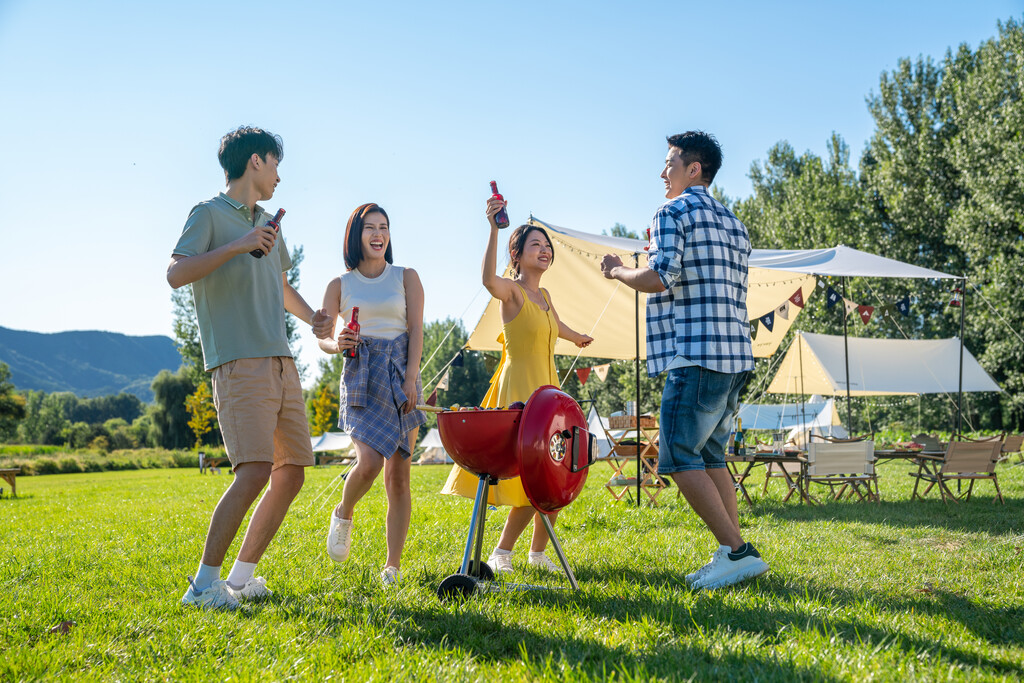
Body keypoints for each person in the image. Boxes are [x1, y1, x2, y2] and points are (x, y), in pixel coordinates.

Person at [168, 126, 333, 610]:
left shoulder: (268, 222)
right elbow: (176, 273)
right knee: (255, 469)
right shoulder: (209, 215)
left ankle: (238, 580)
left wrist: (315, 320)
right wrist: (239, 244)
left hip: (281, 362)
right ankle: (202, 586)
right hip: (238, 362)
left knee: (293, 470)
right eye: (276, 165)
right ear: (256, 162)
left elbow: (280, 285)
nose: (280, 176)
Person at [600, 131, 768, 590]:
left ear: (694, 169)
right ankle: (732, 552)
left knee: (675, 455)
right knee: (712, 456)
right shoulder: (735, 223)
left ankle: (737, 552)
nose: (663, 172)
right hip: (736, 354)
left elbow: (662, 276)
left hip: (695, 353)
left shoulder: (672, 212)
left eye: (670, 163)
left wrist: (616, 270)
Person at [441, 199, 593, 575]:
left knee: (556, 471)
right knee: (530, 476)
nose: (544, 250)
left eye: (547, 246)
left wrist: (579, 339)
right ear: (517, 254)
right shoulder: (512, 292)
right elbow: (487, 281)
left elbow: (558, 327)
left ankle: (538, 554)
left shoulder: (545, 297)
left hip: (549, 392)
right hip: (519, 393)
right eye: (535, 245)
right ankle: (501, 552)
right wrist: (493, 228)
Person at [322, 203, 426, 587]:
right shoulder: (340, 285)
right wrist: (338, 342)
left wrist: (412, 376)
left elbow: (416, 327)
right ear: (356, 234)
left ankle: (392, 567)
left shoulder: (406, 277)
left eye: (384, 227)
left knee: (399, 476)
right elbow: (325, 339)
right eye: (370, 228)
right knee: (368, 463)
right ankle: (344, 512)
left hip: (401, 372)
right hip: (361, 374)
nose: (378, 234)